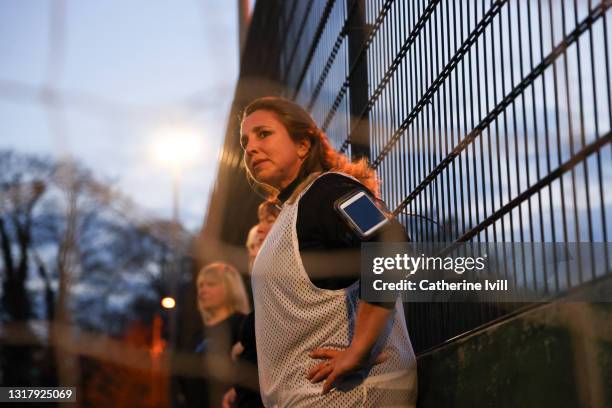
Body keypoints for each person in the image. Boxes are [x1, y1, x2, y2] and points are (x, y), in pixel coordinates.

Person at [240, 96, 417, 407]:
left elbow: (390, 240)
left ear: (303, 145)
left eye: (263, 133)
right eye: (244, 141)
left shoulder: (328, 190)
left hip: (352, 395)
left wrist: (359, 349)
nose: (250, 147)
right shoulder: (292, 212)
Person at [178, 262, 250, 408]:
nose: (202, 290)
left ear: (230, 286)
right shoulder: (197, 334)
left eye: (210, 284)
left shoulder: (243, 325)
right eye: (201, 285)